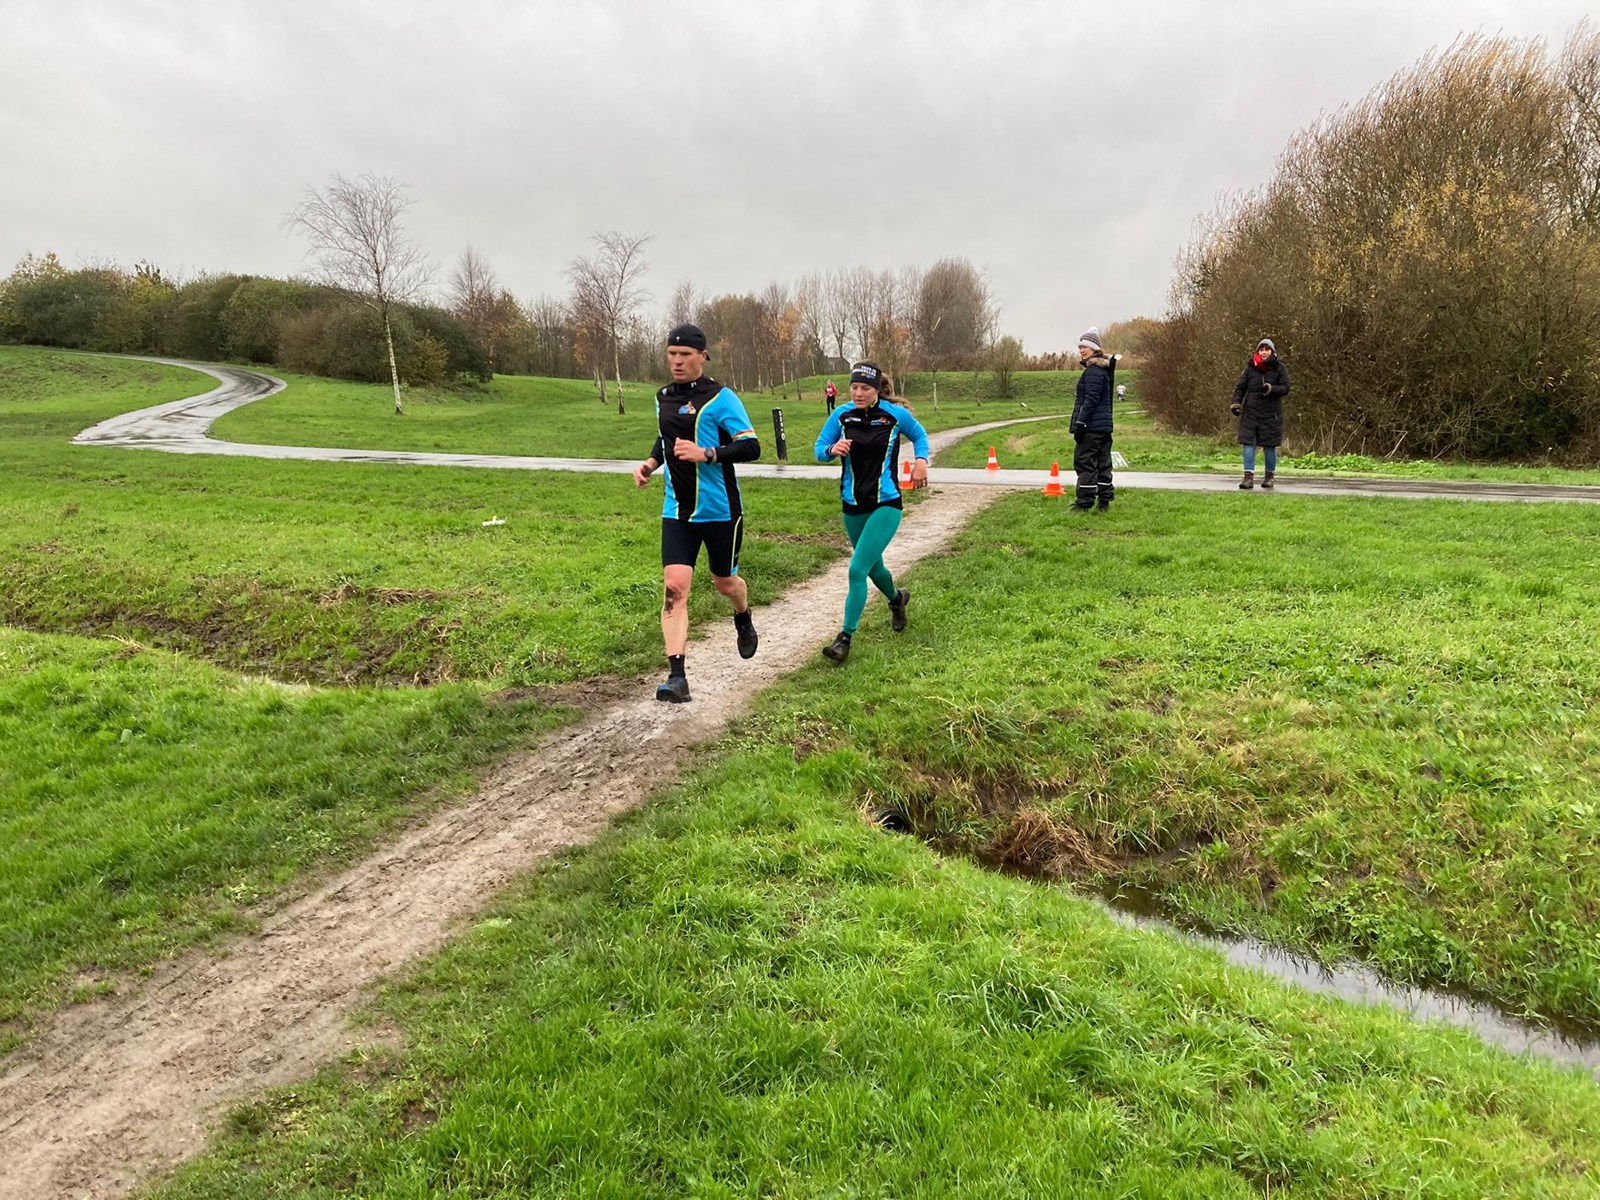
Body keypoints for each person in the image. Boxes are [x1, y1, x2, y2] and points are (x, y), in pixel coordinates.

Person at [633, 323, 761, 703]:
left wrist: (708, 454)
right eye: (672, 354)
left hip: (720, 511)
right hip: (677, 510)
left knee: (725, 583)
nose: (677, 361)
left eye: (685, 355)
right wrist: (651, 463)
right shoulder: (662, 397)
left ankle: (742, 615)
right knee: (674, 589)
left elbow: (751, 446)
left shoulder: (722, 398)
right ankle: (677, 677)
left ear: (702, 356)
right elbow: (666, 437)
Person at [812, 361, 929, 664]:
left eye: (865, 388)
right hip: (852, 505)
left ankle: (844, 639)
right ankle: (897, 599)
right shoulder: (841, 415)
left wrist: (921, 461)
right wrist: (831, 450)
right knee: (874, 569)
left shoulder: (894, 416)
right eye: (854, 387)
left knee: (856, 570)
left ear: (877, 390)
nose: (858, 393)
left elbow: (920, 436)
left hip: (886, 503)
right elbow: (819, 447)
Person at [1230, 337, 1291, 489]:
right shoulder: (1250, 368)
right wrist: (1236, 403)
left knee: (1269, 446)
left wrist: (1272, 389)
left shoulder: (1279, 368)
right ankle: (1248, 477)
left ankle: (1269, 477)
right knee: (1248, 445)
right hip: (1250, 413)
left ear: (1272, 351)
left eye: (1267, 349)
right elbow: (1240, 387)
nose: (1264, 352)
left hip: (1271, 414)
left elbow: (1286, 387)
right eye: (1261, 349)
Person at [1069, 327, 1116, 511]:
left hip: (1092, 427)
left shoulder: (1094, 371)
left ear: (1095, 349)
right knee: (1103, 463)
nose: (1081, 350)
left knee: (1085, 462)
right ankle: (1104, 501)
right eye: (1080, 347)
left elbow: (1090, 400)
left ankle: (1084, 503)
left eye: (1085, 347)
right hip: (1103, 427)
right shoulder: (1102, 369)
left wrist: (1080, 423)